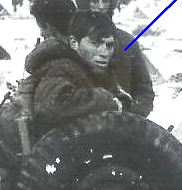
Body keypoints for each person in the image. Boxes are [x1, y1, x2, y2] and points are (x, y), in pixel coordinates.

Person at [26, 10, 129, 139]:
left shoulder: (97, 70)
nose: (105, 52)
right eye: (95, 44)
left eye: (109, 45)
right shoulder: (61, 67)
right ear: (74, 43)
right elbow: (53, 106)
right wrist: (105, 100)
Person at [74, 0, 155, 117]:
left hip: (121, 123)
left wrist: (129, 115)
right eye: (94, 0)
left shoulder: (126, 42)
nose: (101, 6)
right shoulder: (73, 42)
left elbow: (144, 91)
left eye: (105, 0)